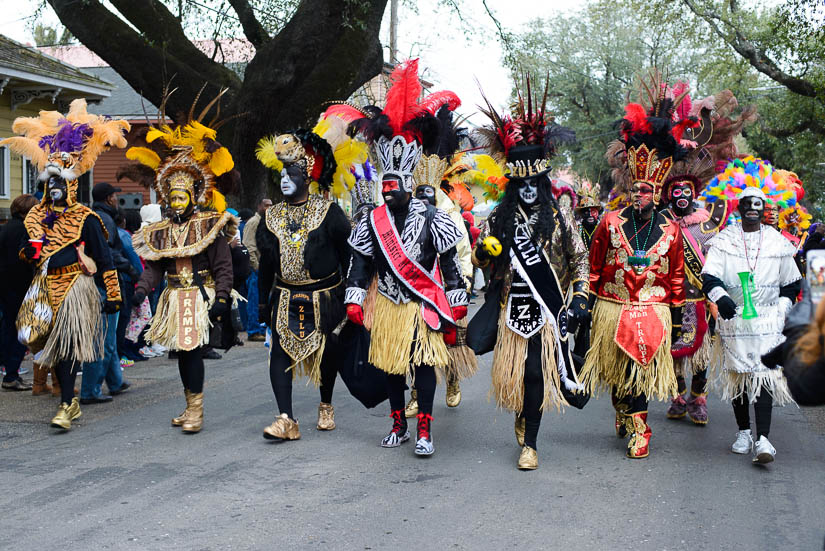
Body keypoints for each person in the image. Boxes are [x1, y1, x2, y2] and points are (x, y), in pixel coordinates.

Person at [341, 60, 469, 456]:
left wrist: (457, 296)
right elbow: (360, 265)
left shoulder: (433, 218)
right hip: (389, 306)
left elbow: (448, 264)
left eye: (396, 184)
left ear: (410, 183)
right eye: (386, 184)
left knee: (425, 366)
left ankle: (426, 430)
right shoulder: (372, 222)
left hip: (421, 304)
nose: (390, 190)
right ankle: (398, 424)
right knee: (392, 366)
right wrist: (355, 296)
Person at [471, 76, 588, 470]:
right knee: (518, 376)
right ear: (512, 186)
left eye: (532, 184)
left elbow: (580, 262)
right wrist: (483, 252)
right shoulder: (499, 219)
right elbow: (479, 262)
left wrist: (582, 300)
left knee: (538, 371)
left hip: (547, 310)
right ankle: (522, 415)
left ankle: (532, 443)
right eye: (519, 184)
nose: (526, 190)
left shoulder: (560, 216)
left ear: (541, 183)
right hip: (509, 309)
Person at [0, 99, 129, 430]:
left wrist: (113, 293)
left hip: (75, 287)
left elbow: (104, 259)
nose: (54, 188)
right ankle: (64, 398)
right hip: (44, 288)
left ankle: (67, 403)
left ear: (71, 185)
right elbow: (28, 254)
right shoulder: (35, 216)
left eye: (60, 183)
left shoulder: (85, 218)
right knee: (46, 347)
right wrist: (29, 251)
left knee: (68, 345)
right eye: (50, 183)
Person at [579, 77, 689, 459]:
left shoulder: (671, 228)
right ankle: (624, 411)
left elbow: (677, 275)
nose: (641, 194)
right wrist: (589, 310)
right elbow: (594, 268)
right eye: (637, 188)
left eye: (648, 190)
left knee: (640, 370)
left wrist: (676, 321)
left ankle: (641, 427)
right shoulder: (609, 221)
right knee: (618, 375)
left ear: (657, 191)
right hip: (613, 306)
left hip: (653, 309)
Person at [121, 90, 240, 434]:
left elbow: (222, 264)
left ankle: (196, 410)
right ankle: (190, 406)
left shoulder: (208, 223)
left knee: (191, 353)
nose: (175, 202)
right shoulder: (161, 232)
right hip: (173, 297)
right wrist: (142, 290)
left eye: (181, 196)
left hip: (199, 297)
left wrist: (221, 296)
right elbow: (156, 265)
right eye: (171, 197)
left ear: (193, 196)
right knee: (182, 354)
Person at [254, 108, 366, 441]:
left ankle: (326, 403)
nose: (285, 180)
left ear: (306, 176)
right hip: (285, 296)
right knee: (279, 354)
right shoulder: (270, 216)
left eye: (292, 174)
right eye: (282, 175)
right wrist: (262, 304)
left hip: (325, 296)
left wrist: (352, 294)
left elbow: (349, 254)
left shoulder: (328, 212)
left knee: (327, 352)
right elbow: (266, 263)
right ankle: (286, 418)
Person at [702, 185, 800, 463]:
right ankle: (744, 431)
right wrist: (720, 297)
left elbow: (792, 282)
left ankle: (764, 439)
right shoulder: (725, 240)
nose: (754, 210)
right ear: (739, 208)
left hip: (768, 320)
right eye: (748, 204)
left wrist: (781, 308)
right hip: (735, 321)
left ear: (764, 209)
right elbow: (710, 276)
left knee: (765, 375)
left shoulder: (777, 241)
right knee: (741, 376)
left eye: (759, 205)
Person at [404, 102, 476, 416]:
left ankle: (452, 379)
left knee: (449, 341)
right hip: (415, 287)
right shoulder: (406, 205)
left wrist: (463, 283)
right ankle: (417, 395)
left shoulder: (446, 206)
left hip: (445, 286)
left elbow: (460, 249)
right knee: (413, 343)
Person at [80, 183, 138, 403]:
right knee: (103, 339)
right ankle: (90, 391)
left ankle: (114, 381)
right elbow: (108, 256)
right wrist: (130, 270)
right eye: (114, 195)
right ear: (107, 198)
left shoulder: (101, 217)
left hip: (104, 282)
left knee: (108, 336)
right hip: (104, 283)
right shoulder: (101, 220)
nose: (117, 199)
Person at [0, 194, 38, 391]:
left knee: (7, 328)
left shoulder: (5, 227)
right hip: (20, 287)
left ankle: (9, 370)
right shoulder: (25, 230)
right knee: (22, 331)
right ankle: (12, 374)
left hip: (5, 286)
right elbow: (25, 260)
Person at [241, 198, 272, 342]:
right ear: (259, 206)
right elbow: (248, 245)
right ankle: (253, 330)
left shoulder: (267, 221)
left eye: (270, 205)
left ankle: (261, 327)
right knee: (254, 299)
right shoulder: (253, 222)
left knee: (262, 299)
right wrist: (256, 265)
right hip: (256, 268)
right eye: (266, 205)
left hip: (265, 267)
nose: (268, 208)